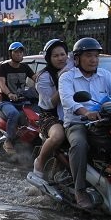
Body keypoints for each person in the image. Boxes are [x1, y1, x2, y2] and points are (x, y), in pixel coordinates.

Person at [59, 37, 111, 208]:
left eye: (96, 56)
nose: (93, 60)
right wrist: (86, 112)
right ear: (77, 59)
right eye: (88, 55)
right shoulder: (67, 77)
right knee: (79, 144)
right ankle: (79, 189)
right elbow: (68, 101)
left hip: (104, 121)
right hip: (77, 123)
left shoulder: (104, 75)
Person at [30, 39, 72, 178]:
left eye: (62, 54)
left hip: (72, 112)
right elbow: (50, 104)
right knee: (58, 136)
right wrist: (63, 86)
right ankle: (40, 162)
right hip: (50, 116)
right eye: (55, 56)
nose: (60, 58)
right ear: (49, 58)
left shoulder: (74, 68)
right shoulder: (44, 77)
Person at [0, 42, 35, 154]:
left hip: (23, 101)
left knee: (37, 114)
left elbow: (36, 78)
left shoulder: (25, 67)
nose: (19, 54)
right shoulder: (4, 67)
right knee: (14, 114)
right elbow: (2, 84)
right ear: (11, 53)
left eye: (21, 52)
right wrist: (9, 94)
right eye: (16, 52)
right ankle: (8, 140)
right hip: (7, 102)